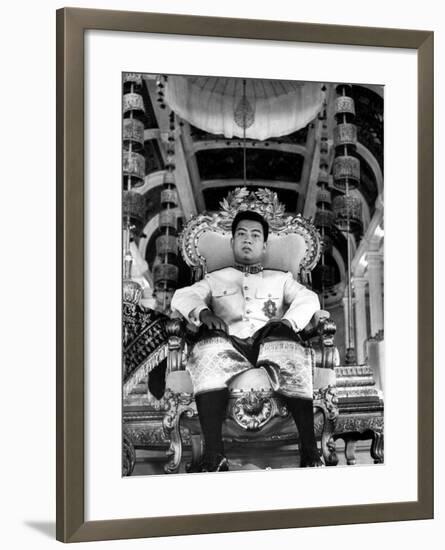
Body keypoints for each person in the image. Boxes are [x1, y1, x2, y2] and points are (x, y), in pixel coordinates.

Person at [171, 210, 323, 472]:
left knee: (288, 344)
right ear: (232, 243)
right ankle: (214, 455)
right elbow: (181, 297)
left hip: (270, 343)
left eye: (255, 235)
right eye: (241, 234)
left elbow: (309, 299)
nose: (247, 240)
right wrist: (204, 313)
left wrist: (289, 323)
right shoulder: (214, 278)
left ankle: (309, 450)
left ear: (264, 245)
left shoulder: (281, 278)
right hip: (229, 346)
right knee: (206, 347)